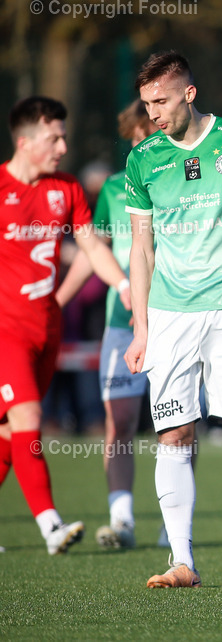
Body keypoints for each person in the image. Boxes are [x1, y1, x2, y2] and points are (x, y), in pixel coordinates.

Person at [123, 50, 222, 589]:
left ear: (189, 94)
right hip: (170, 315)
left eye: (162, 101)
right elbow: (141, 249)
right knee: (174, 434)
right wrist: (142, 328)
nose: (153, 113)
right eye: (147, 103)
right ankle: (182, 560)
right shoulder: (143, 159)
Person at [0, 96, 132, 555]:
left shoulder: (66, 187)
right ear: (25, 141)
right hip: (6, 333)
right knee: (29, 418)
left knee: (9, 432)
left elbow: (92, 247)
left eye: (64, 136)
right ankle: (51, 526)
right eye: (53, 138)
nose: (63, 146)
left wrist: (124, 284)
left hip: (47, 330)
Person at [55, 100, 158, 549]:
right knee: (120, 421)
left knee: (180, 429)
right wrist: (57, 301)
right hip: (122, 322)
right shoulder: (115, 188)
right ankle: (122, 520)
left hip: (176, 318)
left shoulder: (184, 179)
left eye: (146, 136)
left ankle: (177, 526)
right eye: (133, 139)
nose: (139, 145)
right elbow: (94, 252)